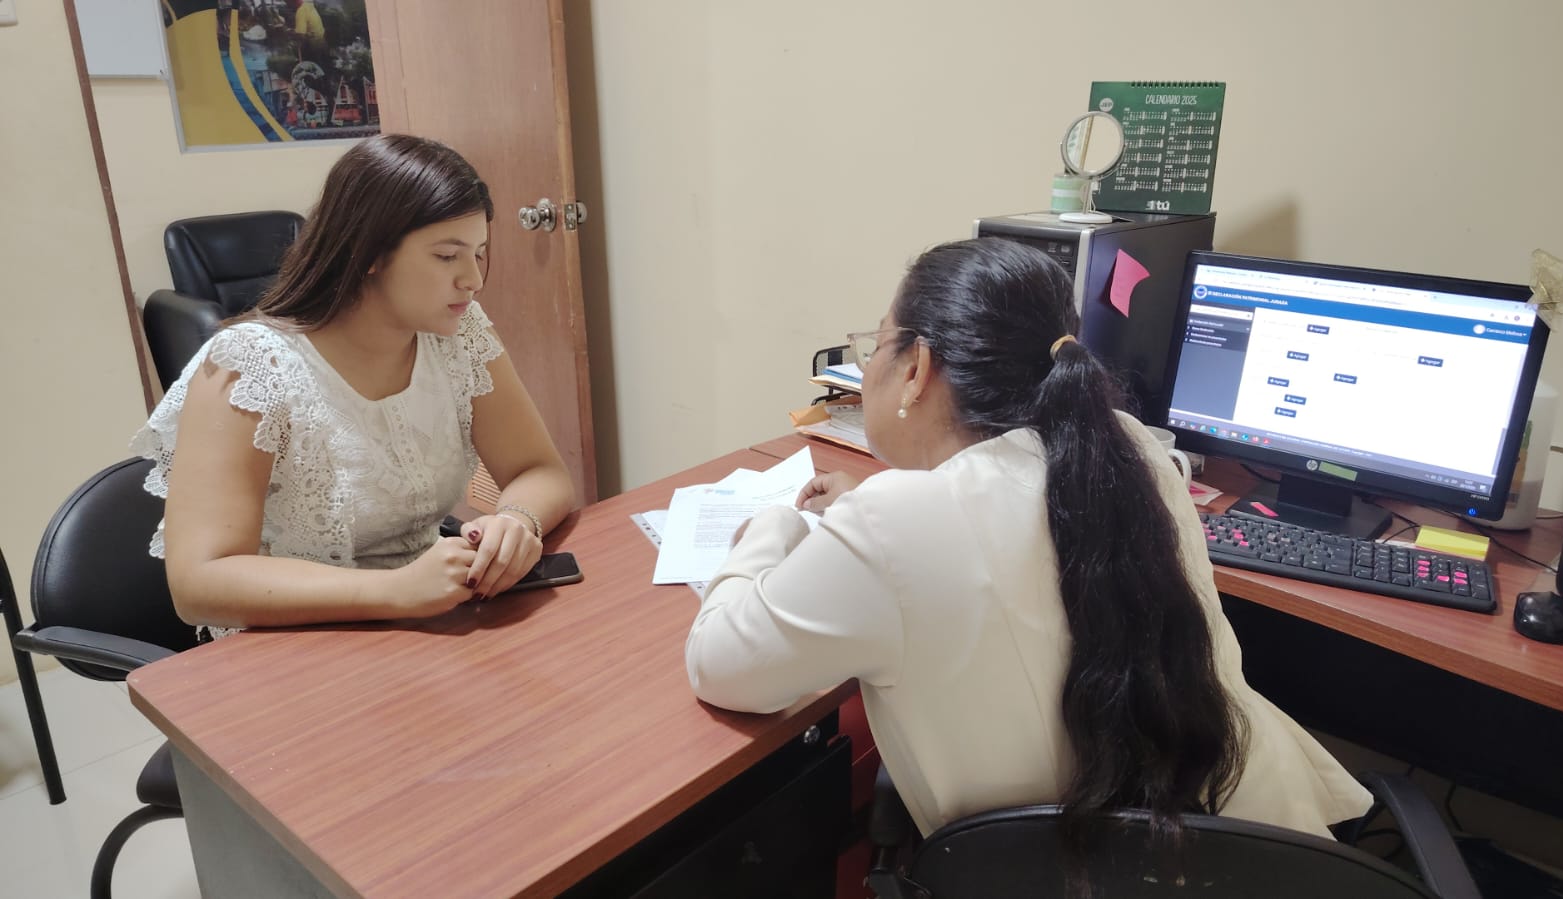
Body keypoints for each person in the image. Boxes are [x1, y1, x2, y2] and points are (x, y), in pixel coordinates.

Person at [684, 238, 1371, 852]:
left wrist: (773, 528)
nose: (868, 371)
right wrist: (870, 513)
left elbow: (722, 666)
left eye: (877, 346)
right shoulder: (1132, 451)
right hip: (1250, 851)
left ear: (917, 366)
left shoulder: (890, 523)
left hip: (1062, 871)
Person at [133, 134, 575, 639]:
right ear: (368, 253)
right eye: (446, 256)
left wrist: (515, 522)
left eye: (479, 253)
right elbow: (199, 584)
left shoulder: (459, 334)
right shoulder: (250, 366)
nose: (472, 279)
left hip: (427, 616)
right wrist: (395, 591)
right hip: (288, 642)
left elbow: (539, 471)